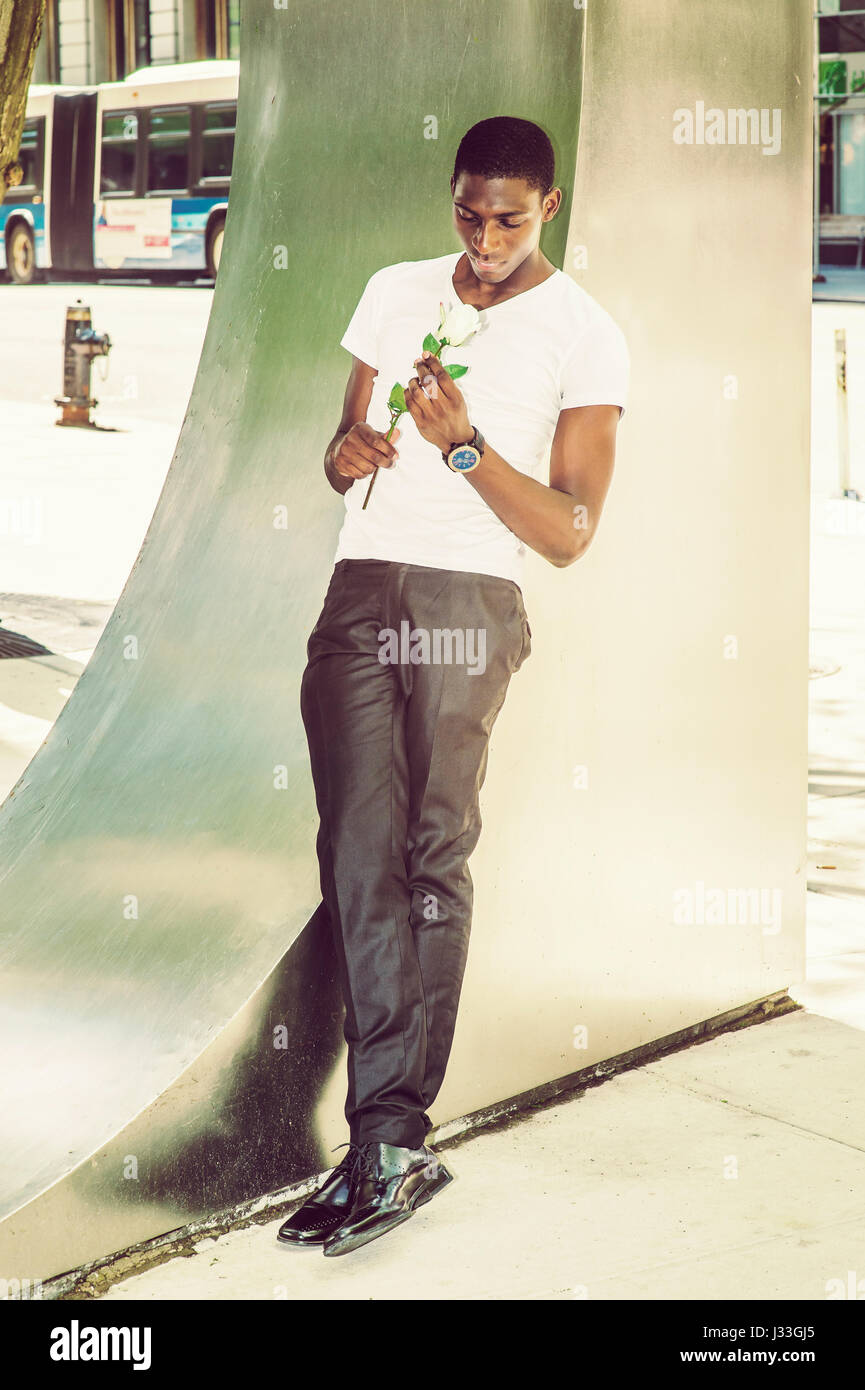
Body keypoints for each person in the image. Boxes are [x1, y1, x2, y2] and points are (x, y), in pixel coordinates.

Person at [278, 116, 629, 1258]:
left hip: (467, 602)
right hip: (359, 585)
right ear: (451, 194)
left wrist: (466, 447)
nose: (484, 238)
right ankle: (385, 1143)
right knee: (354, 851)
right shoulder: (393, 289)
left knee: (429, 853)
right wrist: (353, 453)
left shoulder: (583, 335)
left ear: (550, 208)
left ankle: (388, 1136)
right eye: (469, 213)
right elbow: (342, 435)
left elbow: (572, 532)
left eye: (509, 219)